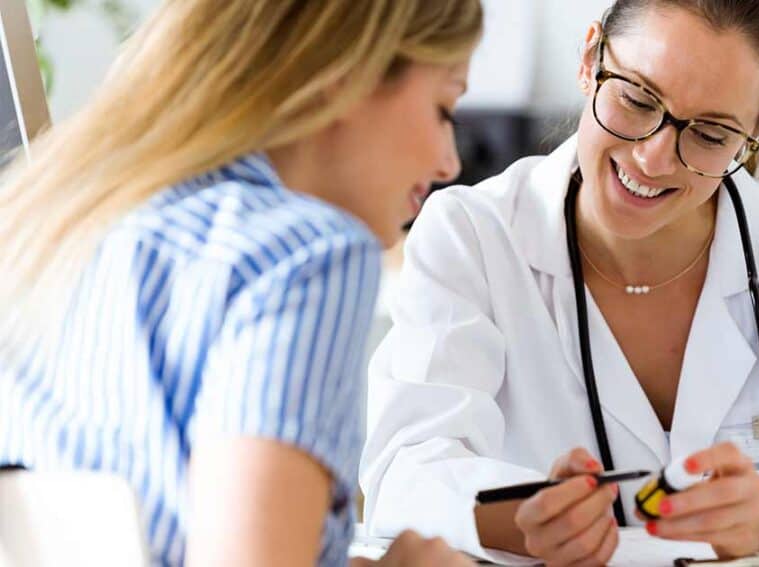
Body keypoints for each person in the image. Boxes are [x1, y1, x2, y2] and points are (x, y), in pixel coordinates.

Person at [359, 0, 759, 565]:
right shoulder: (472, 236)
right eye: (637, 99)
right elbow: (407, 471)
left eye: (709, 134)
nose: (653, 157)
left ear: (757, 127)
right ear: (590, 58)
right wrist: (524, 516)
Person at [0, 1, 482, 565]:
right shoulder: (308, 255)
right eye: (444, 108)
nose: (450, 162)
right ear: (346, 75)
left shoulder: (57, 226)